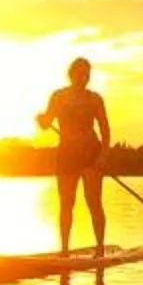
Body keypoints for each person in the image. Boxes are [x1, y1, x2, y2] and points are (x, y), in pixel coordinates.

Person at [36, 56, 110, 255]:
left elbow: (105, 130)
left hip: (90, 154)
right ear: (71, 75)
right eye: (78, 74)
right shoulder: (58, 96)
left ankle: (100, 248)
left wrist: (103, 156)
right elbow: (46, 123)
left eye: (86, 74)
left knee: (93, 201)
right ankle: (65, 250)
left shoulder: (95, 99)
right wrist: (41, 120)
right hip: (67, 154)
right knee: (66, 203)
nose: (82, 78)